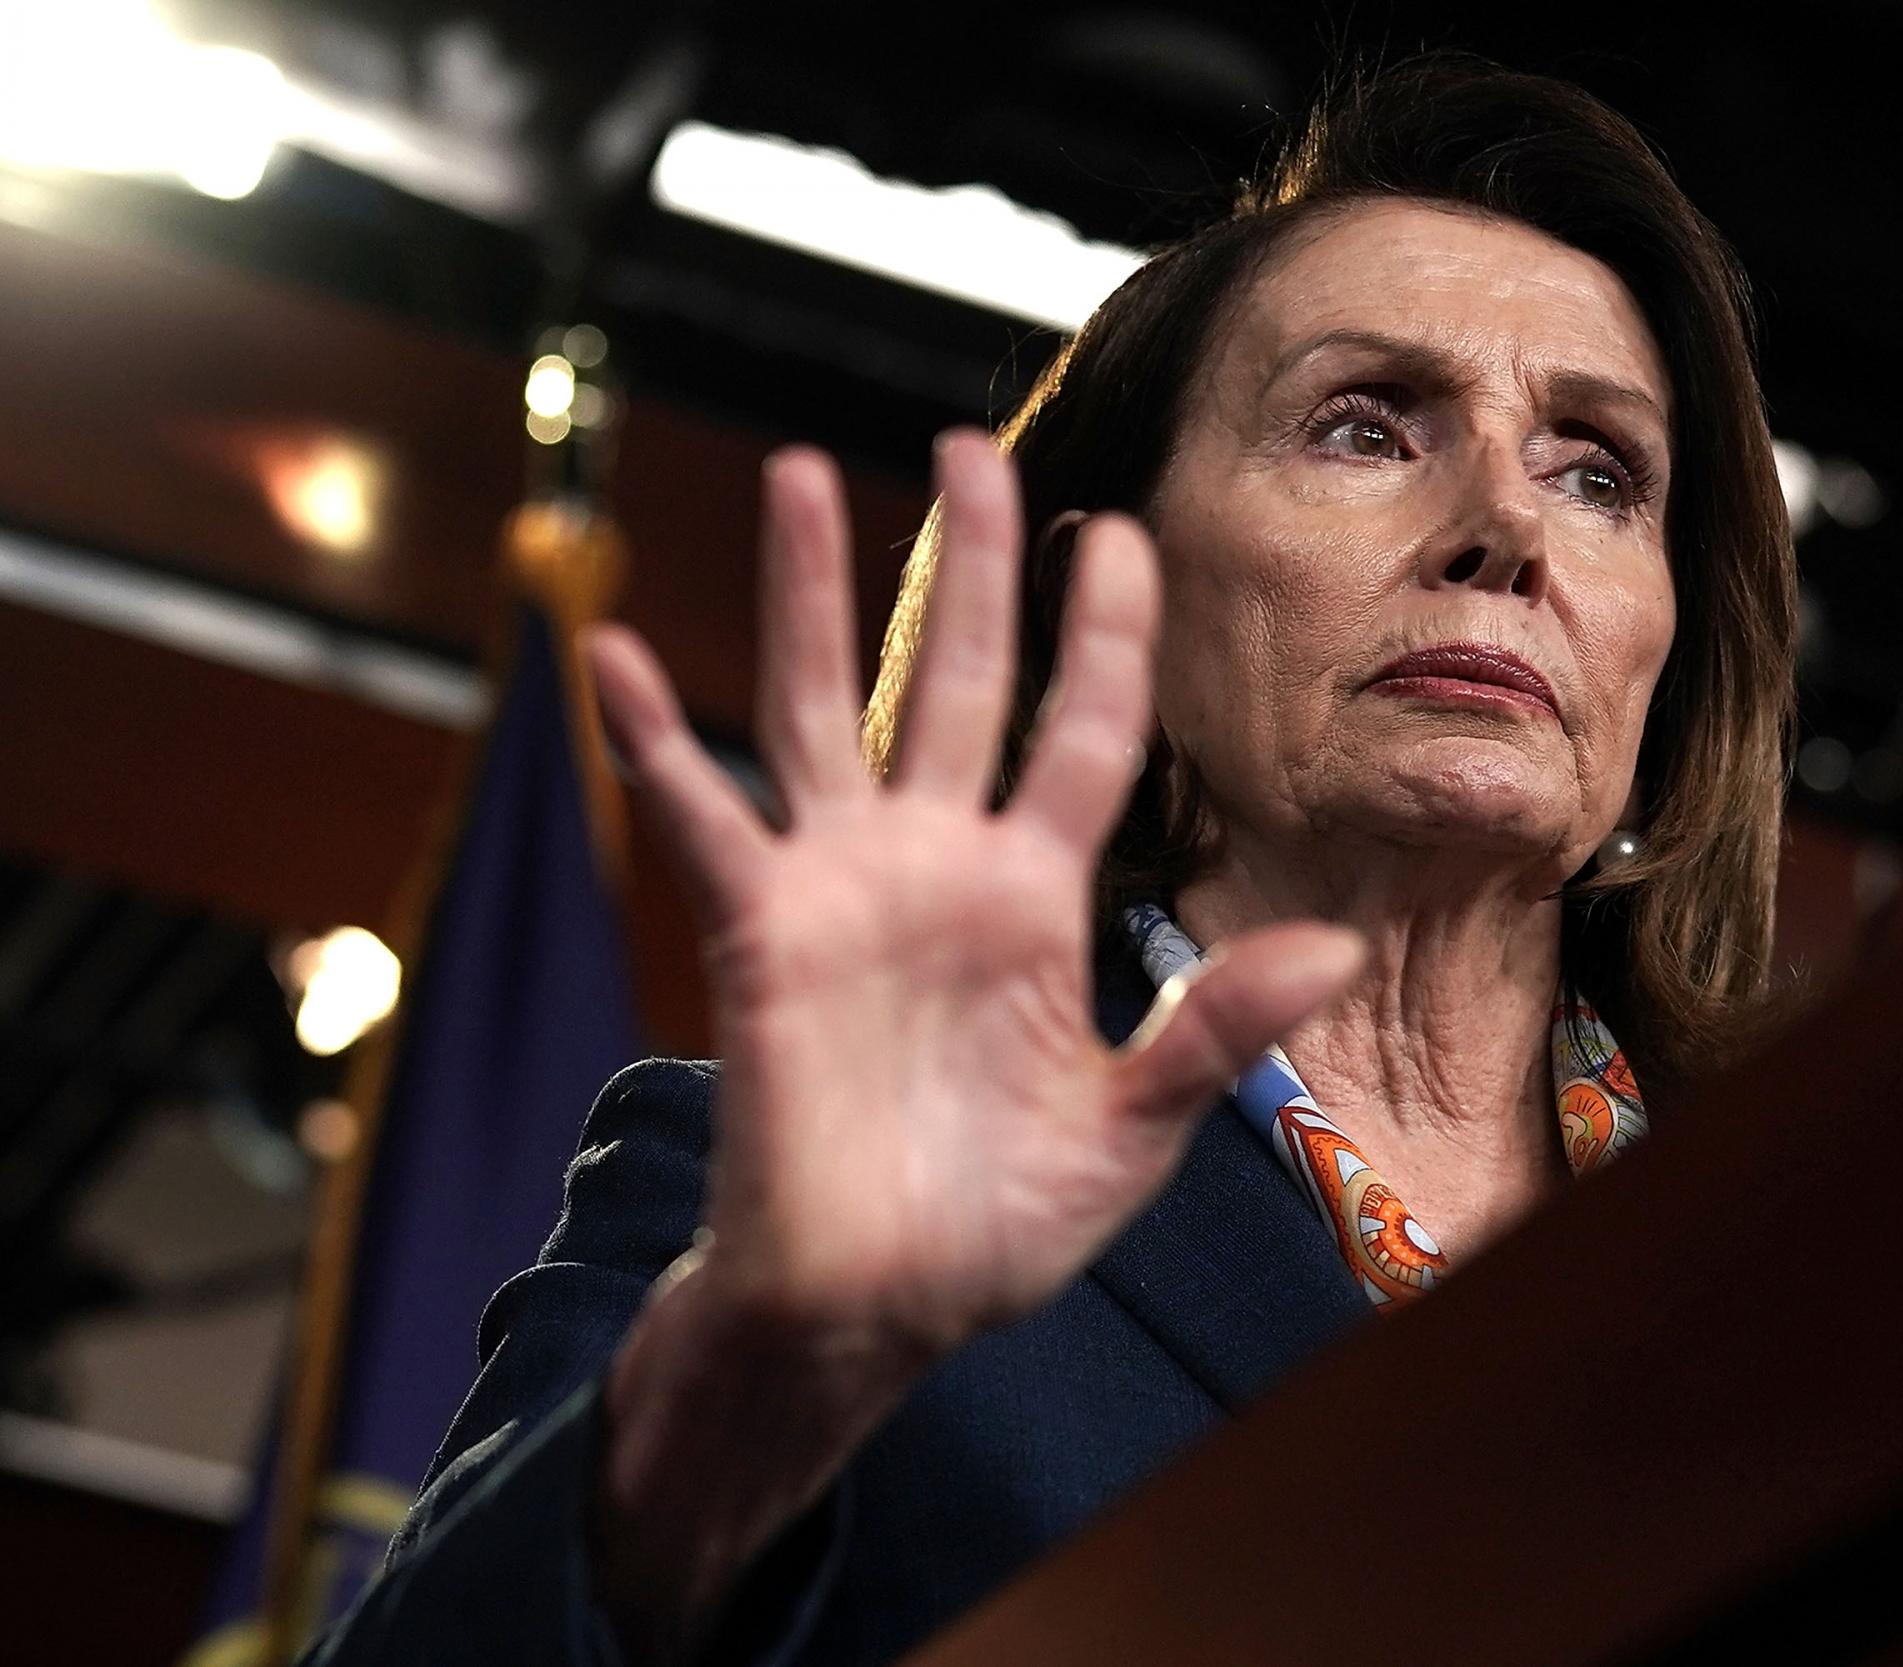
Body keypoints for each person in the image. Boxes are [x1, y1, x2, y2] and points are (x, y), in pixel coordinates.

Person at [305, 51, 1795, 1667]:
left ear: (1671, 651)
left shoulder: (1830, 1241)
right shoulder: (777, 1194)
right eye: (1365, 427)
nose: (1507, 520)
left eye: (1599, 471)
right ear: (1114, 603)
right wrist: (735, 1399)